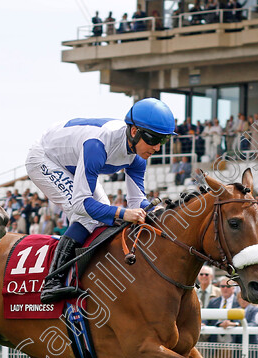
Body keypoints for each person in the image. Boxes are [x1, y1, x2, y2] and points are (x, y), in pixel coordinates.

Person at [26, 98, 176, 303]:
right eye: (153, 139)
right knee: (87, 217)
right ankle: (52, 282)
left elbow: (137, 202)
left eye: (164, 141)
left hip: (75, 161)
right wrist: (123, 213)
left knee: (105, 217)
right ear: (134, 132)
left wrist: (160, 212)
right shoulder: (98, 145)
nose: (157, 147)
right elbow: (81, 205)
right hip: (46, 157)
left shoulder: (139, 157)